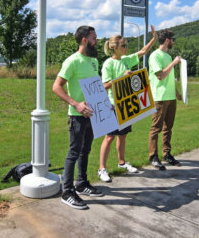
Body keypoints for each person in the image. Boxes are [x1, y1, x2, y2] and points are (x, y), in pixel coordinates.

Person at [97, 25, 158, 182]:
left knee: (123, 135)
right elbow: (104, 86)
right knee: (109, 137)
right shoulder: (108, 64)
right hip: (112, 105)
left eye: (126, 45)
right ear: (114, 47)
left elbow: (143, 52)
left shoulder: (125, 59)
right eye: (123, 45)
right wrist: (122, 77)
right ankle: (101, 169)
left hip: (125, 104)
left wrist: (153, 39)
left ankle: (122, 162)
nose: (126, 48)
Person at [52, 26, 104, 210]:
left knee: (86, 150)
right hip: (77, 116)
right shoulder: (72, 61)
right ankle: (67, 192)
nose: (97, 41)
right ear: (84, 40)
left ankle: (81, 184)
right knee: (74, 152)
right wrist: (76, 104)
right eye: (94, 38)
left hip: (92, 114)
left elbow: (95, 86)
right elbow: (56, 87)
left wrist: (104, 103)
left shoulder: (93, 62)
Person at [148, 29, 182, 170]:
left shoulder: (167, 57)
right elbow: (161, 75)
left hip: (170, 97)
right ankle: (153, 156)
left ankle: (166, 154)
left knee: (168, 128)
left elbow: (168, 78)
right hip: (159, 98)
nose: (173, 42)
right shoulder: (155, 55)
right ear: (167, 40)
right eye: (172, 39)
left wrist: (177, 92)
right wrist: (174, 63)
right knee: (156, 128)